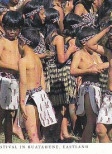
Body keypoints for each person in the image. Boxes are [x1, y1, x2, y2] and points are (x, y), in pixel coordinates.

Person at [0, 11, 24, 143]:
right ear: (4, 27)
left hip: (14, 81)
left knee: (11, 114)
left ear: (20, 28)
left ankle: (8, 143)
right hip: (3, 79)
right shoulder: (2, 41)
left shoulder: (20, 42)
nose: (11, 31)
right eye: (8, 28)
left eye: (15, 29)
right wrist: (14, 67)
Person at [18, 27, 57, 143]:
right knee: (38, 134)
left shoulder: (23, 61)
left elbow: (23, 83)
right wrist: (44, 98)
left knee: (32, 135)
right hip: (40, 95)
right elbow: (42, 79)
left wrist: (21, 103)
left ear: (22, 42)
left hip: (29, 98)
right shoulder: (37, 58)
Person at [71, 26, 109, 142]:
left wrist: (103, 65)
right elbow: (72, 71)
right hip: (87, 88)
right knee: (91, 120)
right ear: (84, 42)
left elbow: (104, 65)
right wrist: (88, 70)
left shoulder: (96, 54)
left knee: (98, 120)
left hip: (98, 87)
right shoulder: (79, 54)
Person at [44, 9, 77, 141]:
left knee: (55, 106)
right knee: (60, 107)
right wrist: (70, 50)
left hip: (50, 72)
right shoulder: (58, 38)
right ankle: (54, 135)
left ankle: (56, 134)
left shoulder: (46, 36)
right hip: (59, 73)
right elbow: (62, 59)